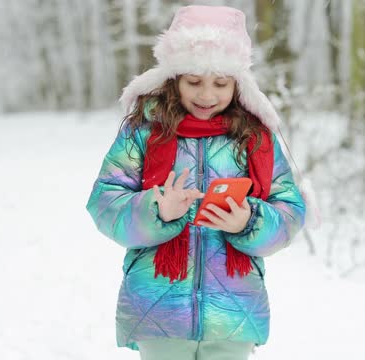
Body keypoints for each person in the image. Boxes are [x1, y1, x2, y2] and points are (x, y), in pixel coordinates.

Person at [85, 5, 306, 360]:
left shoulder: (255, 138)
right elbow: (104, 202)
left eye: (220, 83)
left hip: (233, 312)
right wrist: (155, 209)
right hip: (158, 310)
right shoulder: (144, 130)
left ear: (238, 83)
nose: (206, 95)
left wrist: (249, 221)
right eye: (194, 82)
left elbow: (291, 212)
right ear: (174, 78)